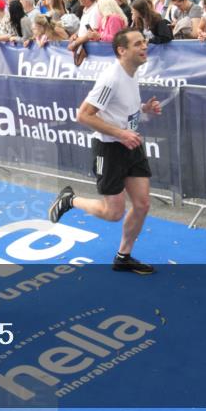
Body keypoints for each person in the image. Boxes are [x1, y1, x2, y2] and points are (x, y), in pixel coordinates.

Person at [49, 29, 162, 274]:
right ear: (122, 50)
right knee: (113, 213)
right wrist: (120, 133)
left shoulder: (132, 72)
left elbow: (123, 107)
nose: (144, 47)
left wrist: (144, 108)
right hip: (110, 149)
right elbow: (83, 115)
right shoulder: (111, 78)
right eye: (138, 44)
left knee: (142, 204)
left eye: (144, 42)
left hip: (131, 144)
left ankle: (123, 257)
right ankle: (70, 200)